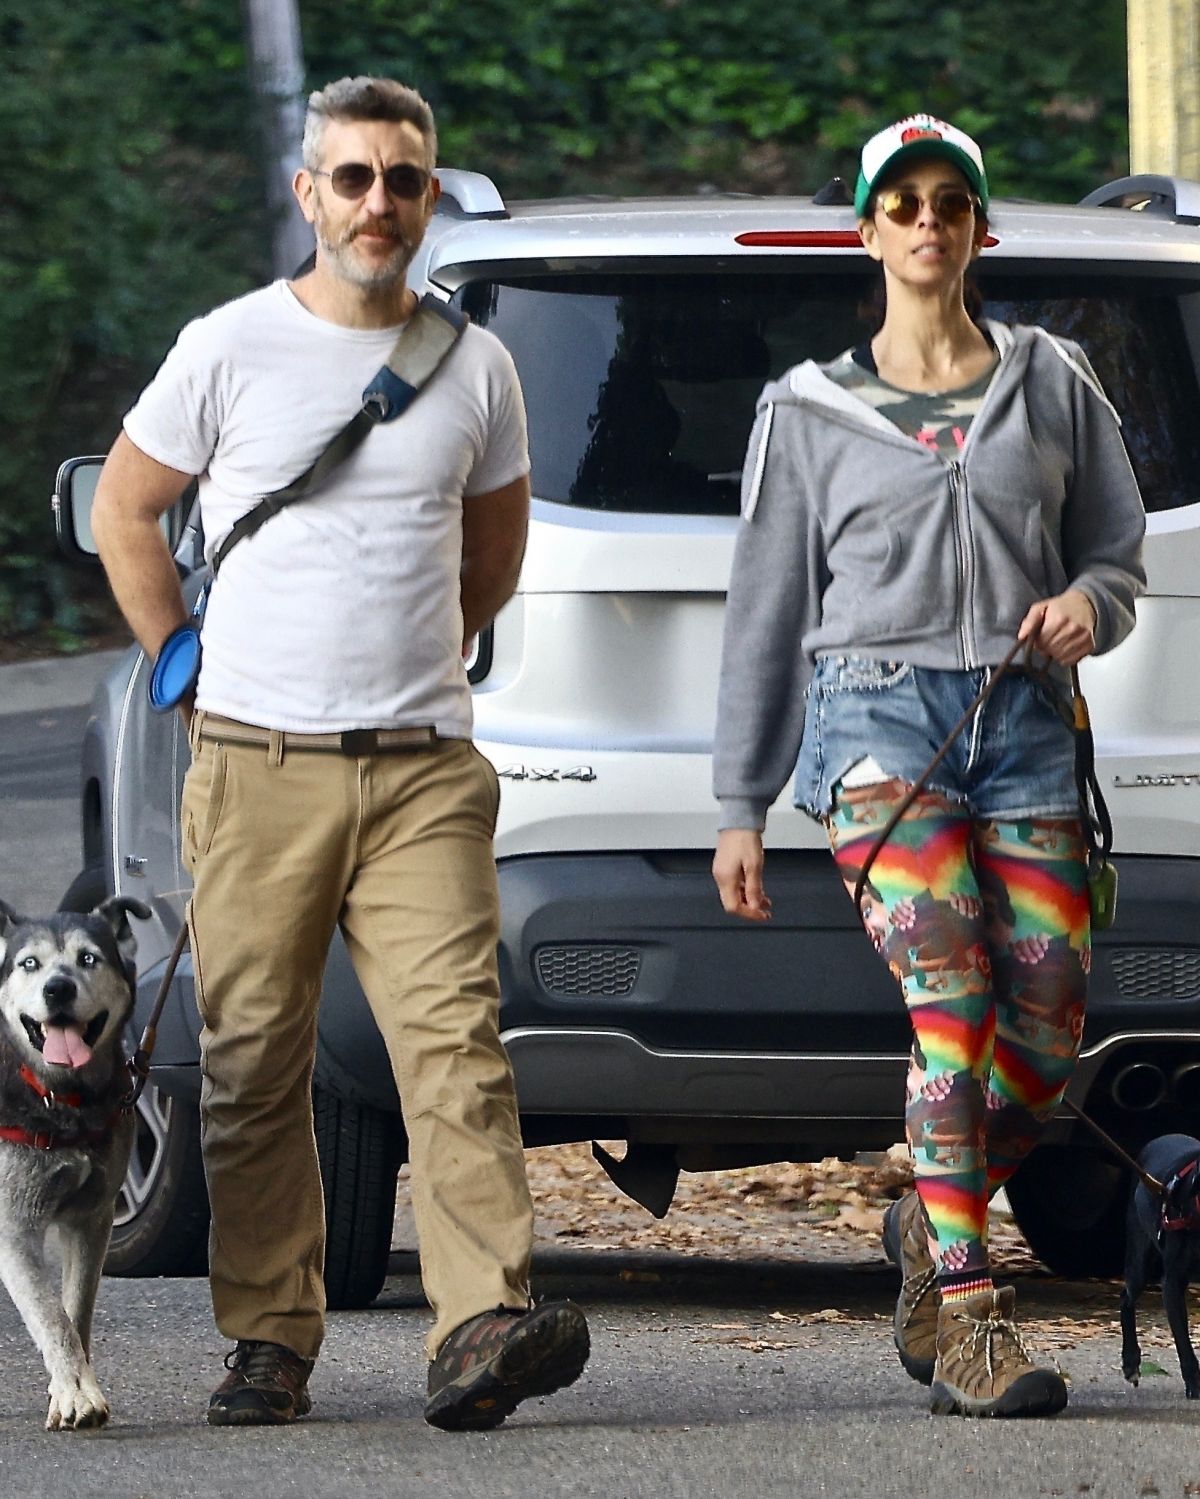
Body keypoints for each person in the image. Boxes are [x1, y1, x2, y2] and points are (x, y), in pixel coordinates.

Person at [90, 76, 589, 1432]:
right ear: (310, 195)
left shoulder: (474, 367)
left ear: (430, 198)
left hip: (422, 765)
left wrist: (409, 661)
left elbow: (493, 557)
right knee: (255, 1060)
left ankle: (482, 1322)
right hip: (257, 762)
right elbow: (129, 512)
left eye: (404, 180)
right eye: (354, 178)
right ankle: (269, 1342)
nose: (380, 202)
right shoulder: (228, 347)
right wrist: (179, 656)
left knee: (455, 1050)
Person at [712, 114, 1145, 1419]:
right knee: (951, 1009)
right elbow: (765, 615)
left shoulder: (1054, 380)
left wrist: (1088, 607)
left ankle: (927, 1213)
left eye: (950, 202)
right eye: (899, 202)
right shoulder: (807, 412)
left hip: (1024, 725)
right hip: (875, 733)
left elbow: (1119, 558)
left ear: (979, 229)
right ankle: (969, 1315)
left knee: (1048, 1021)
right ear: (867, 229)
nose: (925, 221)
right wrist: (738, 801)